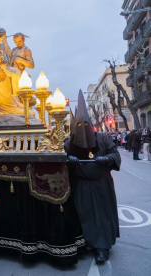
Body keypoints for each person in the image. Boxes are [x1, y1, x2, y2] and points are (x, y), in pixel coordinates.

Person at [65, 91, 121, 263]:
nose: (83, 128)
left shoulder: (102, 138)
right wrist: (68, 160)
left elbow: (116, 154)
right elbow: (59, 161)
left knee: (101, 215)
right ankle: (84, 244)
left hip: (101, 184)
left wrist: (108, 159)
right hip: (80, 185)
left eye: (86, 124)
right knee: (83, 214)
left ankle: (102, 247)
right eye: (79, 125)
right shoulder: (69, 143)